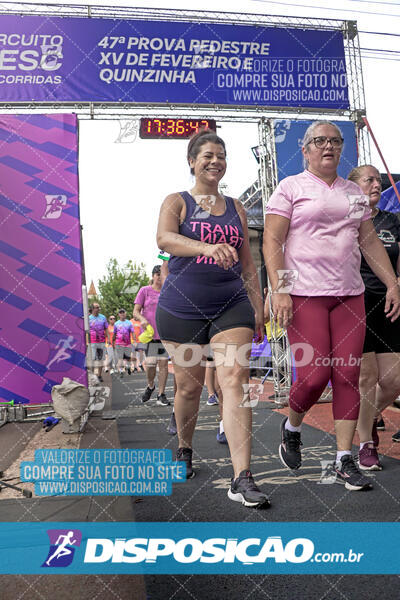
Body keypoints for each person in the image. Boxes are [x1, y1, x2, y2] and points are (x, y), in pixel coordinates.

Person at [263, 120, 400, 491]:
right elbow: (272, 241)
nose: (328, 146)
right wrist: (281, 290)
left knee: (347, 377)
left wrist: (392, 283)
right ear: (305, 150)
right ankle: (292, 426)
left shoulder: (354, 193)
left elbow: (369, 242)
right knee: (313, 376)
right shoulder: (290, 187)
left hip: (349, 296)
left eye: (335, 141)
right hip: (305, 294)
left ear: (341, 150)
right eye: (319, 141)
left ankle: (344, 459)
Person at [156, 129, 269, 508]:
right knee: (188, 389)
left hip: (231, 304)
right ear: (192, 161)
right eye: (207, 154)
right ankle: (185, 448)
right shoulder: (177, 201)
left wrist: (258, 307)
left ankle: (242, 477)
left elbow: (250, 265)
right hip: (181, 308)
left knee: (234, 381)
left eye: (221, 154)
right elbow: (164, 240)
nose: (215, 160)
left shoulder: (236, 207)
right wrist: (206, 246)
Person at [348, 165, 400, 469]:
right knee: (366, 377)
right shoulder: (346, 219)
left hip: (390, 301)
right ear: (353, 185)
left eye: (379, 180)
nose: (377, 184)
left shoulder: (392, 221)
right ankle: (366, 441)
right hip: (357, 300)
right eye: (369, 179)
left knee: (394, 380)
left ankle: (365, 417)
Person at [133, 265, 170, 406]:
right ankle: (150, 386)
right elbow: (135, 311)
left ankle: (161, 394)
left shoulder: (168, 291)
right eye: (158, 275)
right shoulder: (145, 291)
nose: (160, 278)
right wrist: (142, 319)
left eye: (163, 275)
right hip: (150, 334)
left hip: (165, 333)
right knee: (151, 364)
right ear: (154, 276)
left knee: (164, 364)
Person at [88, 302, 109, 382]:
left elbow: (106, 328)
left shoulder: (103, 317)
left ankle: (99, 375)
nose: (99, 308)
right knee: (92, 359)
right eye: (97, 307)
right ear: (92, 309)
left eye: (99, 307)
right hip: (92, 342)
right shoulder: (89, 318)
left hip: (102, 341)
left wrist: (109, 339)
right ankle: (92, 376)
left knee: (101, 359)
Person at [113, 309, 135, 377]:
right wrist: (113, 342)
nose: (122, 314)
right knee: (120, 357)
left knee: (127, 357)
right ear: (119, 315)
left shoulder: (129, 323)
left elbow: (132, 332)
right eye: (120, 313)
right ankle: (122, 370)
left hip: (127, 343)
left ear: (125, 314)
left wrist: (134, 340)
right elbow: (114, 333)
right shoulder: (116, 323)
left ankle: (128, 367)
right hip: (119, 343)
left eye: (123, 313)